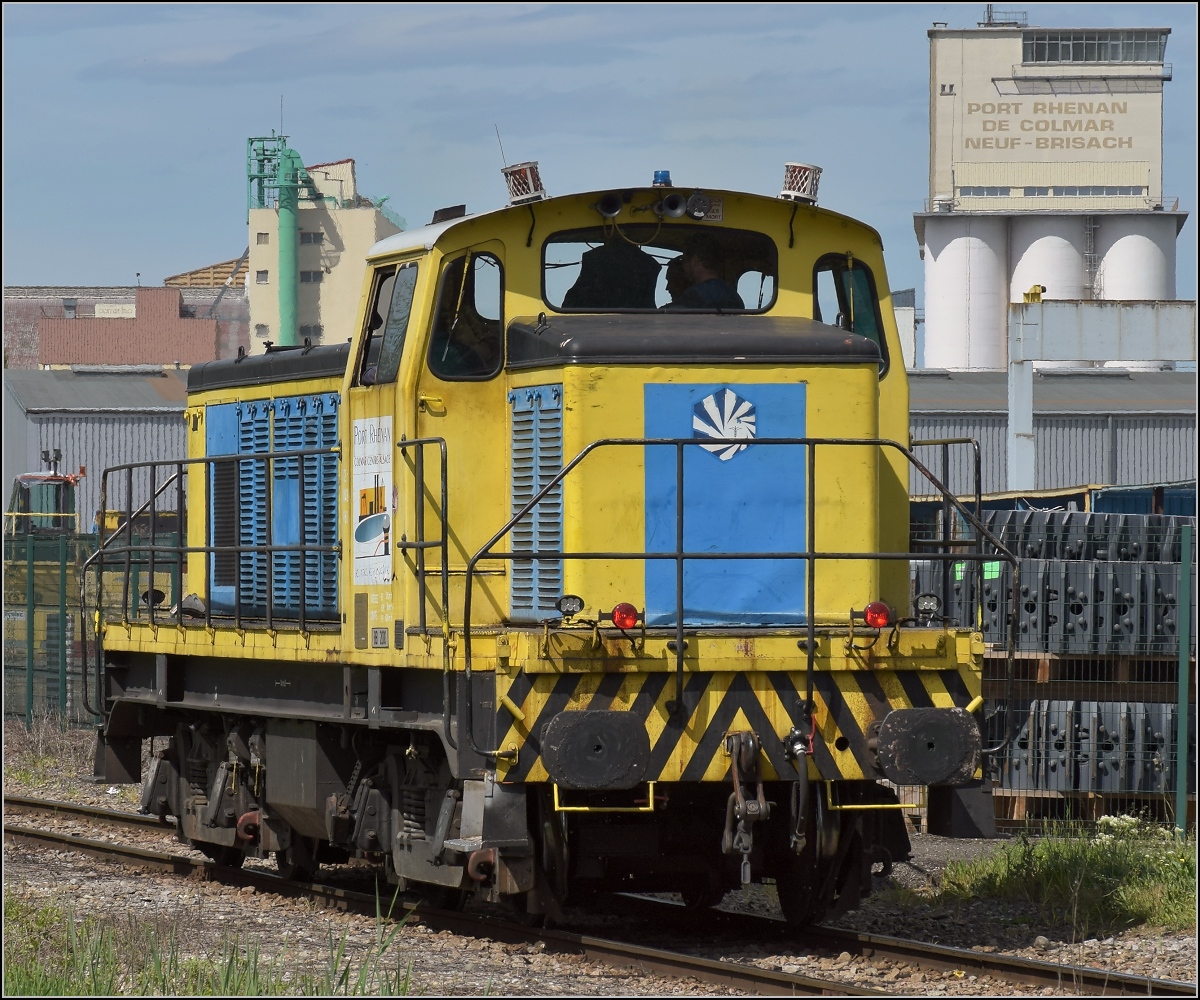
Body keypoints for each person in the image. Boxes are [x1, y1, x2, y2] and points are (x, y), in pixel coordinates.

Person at [666, 234, 744, 310]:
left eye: (685, 261)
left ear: (695, 261)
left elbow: (667, 313)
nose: (683, 267)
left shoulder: (696, 294)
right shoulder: (734, 297)